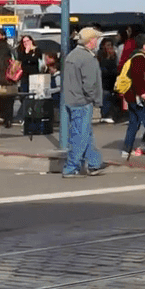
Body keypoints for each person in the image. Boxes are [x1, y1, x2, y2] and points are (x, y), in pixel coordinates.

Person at [60, 27, 106, 178]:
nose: (97, 42)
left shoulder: (71, 55)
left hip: (71, 98)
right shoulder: (88, 58)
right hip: (83, 101)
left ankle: (94, 163)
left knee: (84, 133)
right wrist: (96, 100)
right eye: (96, 39)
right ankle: (71, 167)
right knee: (80, 135)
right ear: (91, 41)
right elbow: (90, 84)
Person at [119, 36, 145, 159]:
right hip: (139, 97)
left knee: (133, 124)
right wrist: (142, 92)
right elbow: (137, 77)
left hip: (132, 96)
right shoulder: (140, 58)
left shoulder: (136, 57)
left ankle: (126, 150)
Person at [96, 37, 120, 124]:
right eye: (108, 45)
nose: (110, 47)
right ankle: (105, 115)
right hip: (104, 82)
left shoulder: (114, 56)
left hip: (112, 81)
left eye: (111, 45)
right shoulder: (100, 56)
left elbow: (115, 67)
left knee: (112, 98)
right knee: (106, 97)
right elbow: (102, 70)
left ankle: (111, 114)